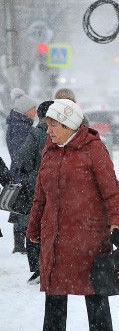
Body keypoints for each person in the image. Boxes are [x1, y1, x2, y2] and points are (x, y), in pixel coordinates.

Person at [25, 99, 119, 331]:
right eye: (48, 124)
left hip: (88, 231)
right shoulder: (50, 147)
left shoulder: (93, 149)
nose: (49, 130)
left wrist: (117, 220)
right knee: (55, 283)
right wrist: (34, 225)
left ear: (70, 126)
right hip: (56, 230)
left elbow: (111, 188)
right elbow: (40, 193)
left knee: (94, 282)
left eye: (54, 125)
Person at [16, 100, 54, 284]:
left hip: (35, 187)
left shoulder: (35, 133)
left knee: (34, 224)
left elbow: (23, 159)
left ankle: (37, 267)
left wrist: (31, 173)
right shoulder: (60, 134)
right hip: (55, 187)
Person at [5, 88, 38, 253]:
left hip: (19, 171)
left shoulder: (19, 124)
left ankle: (20, 244)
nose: (36, 111)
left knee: (21, 207)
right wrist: (27, 169)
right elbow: (20, 154)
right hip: (21, 172)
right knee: (22, 208)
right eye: (33, 108)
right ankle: (19, 245)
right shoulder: (20, 127)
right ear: (26, 110)